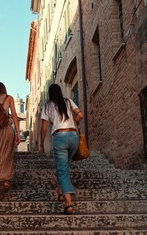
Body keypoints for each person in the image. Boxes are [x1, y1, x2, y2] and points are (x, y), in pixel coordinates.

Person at [40, 83, 84, 214]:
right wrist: (73, 122)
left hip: (60, 137)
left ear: (49, 94)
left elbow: (43, 128)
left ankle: (68, 204)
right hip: (74, 137)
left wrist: (41, 144)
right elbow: (80, 115)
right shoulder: (69, 101)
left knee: (62, 170)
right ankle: (61, 190)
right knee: (64, 166)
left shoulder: (47, 105)